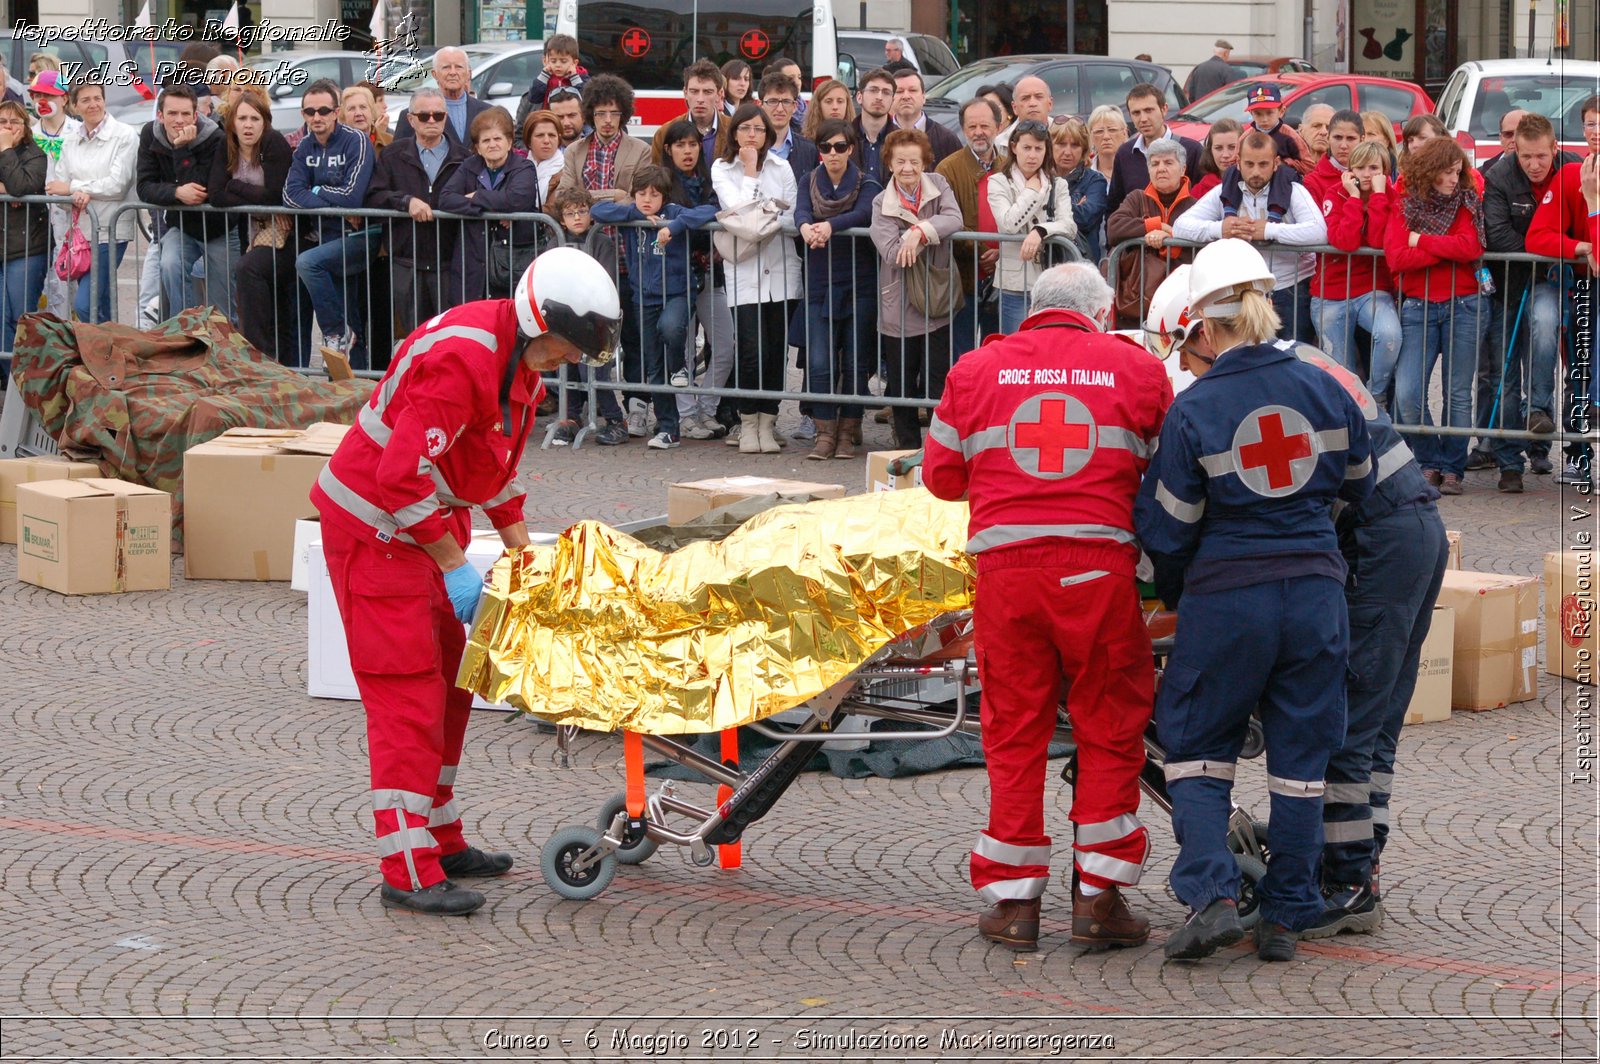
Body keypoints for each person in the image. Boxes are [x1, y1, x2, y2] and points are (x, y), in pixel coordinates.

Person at [310, 248, 622, 916]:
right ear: (542, 325)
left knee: (453, 685)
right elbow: (399, 479)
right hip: (375, 534)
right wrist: (457, 566)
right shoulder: (464, 362)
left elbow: (487, 471)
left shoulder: (519, 366)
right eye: (569, 348)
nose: (570, 362)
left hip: (416, 533)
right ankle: (406, 865)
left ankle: (441, 838)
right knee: (407, 698)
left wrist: (523, 557)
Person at [1134, 238, 1375, 963]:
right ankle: (1288, 913)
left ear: (1205, 327)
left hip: (1228, 598)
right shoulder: (1327, 386)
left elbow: (1169, 530)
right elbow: (1358, 484)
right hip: (1314, 596)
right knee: (1302, 759)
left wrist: (1185, 590)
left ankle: (1212, 895)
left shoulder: (1198, 408)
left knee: (1197, 746)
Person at [925, 261, 1169, 952]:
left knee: (1012, 731)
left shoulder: (976, 369)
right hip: (1099, 574)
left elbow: (941, 477)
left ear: (1032, 308)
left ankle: (1012, 905)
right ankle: (1100, 899)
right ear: (1102, 310)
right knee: (1112, 725)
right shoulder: (1137, 369)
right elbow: (1169, 473)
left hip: (1008, 579)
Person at [1479, 111, 1576, 492]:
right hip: (1507, 284)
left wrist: (1552, 254)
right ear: (1513, 150)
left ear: (1555, 148)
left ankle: (1539, 420)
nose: (1534, 165)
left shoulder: (1572, 170)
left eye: (1541, 156)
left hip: (1550, 282)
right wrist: (1546, 250)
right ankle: (1508, 461)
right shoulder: (1498, 177)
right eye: (1525, 157)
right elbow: (1498, 234)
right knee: (1505, 375)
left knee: (1545, 333)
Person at [1385, 137, 1487, 496]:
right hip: (1418, 306)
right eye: (1446, 173)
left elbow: (1470, 247)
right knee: (1409, 393)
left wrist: (1421, 240)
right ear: (1428, 172)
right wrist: (1445, 251)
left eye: (1457, 172)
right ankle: (1428, 459)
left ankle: (1452, 467)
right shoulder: (1406, 204)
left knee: (1457, 393)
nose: (1453, 180)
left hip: (1465, 304)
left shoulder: (1466, 200)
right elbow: (1396, 257)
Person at [591, 166, 718, 450]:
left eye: (654, 194)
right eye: (641, 193)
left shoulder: (674, 212)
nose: (647, 199)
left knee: (671, 328)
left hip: (676, 293)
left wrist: (673, 227)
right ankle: (668, 428)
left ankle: (681, 368)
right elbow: (598, 211)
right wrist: (633, 213)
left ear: (665, 195)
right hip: (643, 297)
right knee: (653, 364)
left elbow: (709, 213)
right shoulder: (632, 214)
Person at [1174, 131, 1328, 342]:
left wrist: (1269, 230)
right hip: (1244, 290)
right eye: (1249, 164)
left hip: (1290, 288)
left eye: (1263, 164)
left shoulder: (1293, 191)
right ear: (1238, 163)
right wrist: (1221, 229)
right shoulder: (1223, 191)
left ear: (1276, 163)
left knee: (1296, 355)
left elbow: (1319, 231)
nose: (1256, 172)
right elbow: (1180, 226)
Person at [712, 102, 801, 454]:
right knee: (750, 350)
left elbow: (793, 218)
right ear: (735, 132)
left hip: (781, 269)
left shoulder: (783, 167)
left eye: (759, 129)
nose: (752, 135)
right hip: (744, 274)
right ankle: (747, 421)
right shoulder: (723, 168)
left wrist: (765, 219)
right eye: (746, 128)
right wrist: (750, 172)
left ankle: (769, 420)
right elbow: (741, 215)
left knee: (776, 352)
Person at [869, 128, 964, 449]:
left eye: (914, 161)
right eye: (900, 162)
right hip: (898, 299)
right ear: (890, 164)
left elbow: (954, 218)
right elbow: (892, 252)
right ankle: (907, 445)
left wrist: (918, 231)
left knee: (938, 377)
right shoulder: (882, 201)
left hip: (936, 294)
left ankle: (939, 447)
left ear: (925, 162)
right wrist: (915, 238)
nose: (907, 168)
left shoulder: (939, 185)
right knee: (901, 381)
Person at [793, 119, 881, 459]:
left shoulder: (866, 181)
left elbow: (862, 215)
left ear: (851, 149)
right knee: (818, 362)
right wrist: (805, 226)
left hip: (858, 282)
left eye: (840, 147)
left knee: (856, 362)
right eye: (826, 147)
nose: (833, 153)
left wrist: (828, 225)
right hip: (818, 283)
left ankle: (847, 432)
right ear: (819, 151)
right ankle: (824, 433)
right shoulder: (808, 179)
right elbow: (801, 209)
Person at [1525, 92, 1599, 488]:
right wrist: (1577, 247)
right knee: (1580, 371)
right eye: (1590, 123)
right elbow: (1538, 236)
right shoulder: (1570, 174)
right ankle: (1577, 455)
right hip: (1584, 286)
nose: (1595, 132)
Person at [1306, 114, 1402, 396]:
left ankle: (1375, 396)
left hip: (1372, 289)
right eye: (1360, 168)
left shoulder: (1390, 195)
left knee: (1390, 335)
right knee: (1341, 373)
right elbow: (1345, 241)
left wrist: (1380, 196)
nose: (1367, 174)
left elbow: (1376, 240)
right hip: (1330, 293)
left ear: (1384, 170)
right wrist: (1353, 197)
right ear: (1351, 170)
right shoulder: (1336, 193)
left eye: (1374, 168)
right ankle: (1353, 409)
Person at [653, 117, 735, 443]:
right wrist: (691, 220)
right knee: (682, 349)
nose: (687, 151)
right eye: (680, 145)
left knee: (725, 344)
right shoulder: (662, 182)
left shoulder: (708, 180)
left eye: (692, 145)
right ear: (668, 149)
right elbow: (672, 216)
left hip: (709, 274)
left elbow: (718, 211)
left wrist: (690, 220)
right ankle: (686, 416)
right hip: (676, 277)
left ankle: (706, 407)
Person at [283, 78, 376, 363]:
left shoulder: (355, 140)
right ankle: (349, 370)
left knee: (307, 263)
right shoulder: (304, 148)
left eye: (323, 110)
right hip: (325, 238)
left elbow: (352, 197)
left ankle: (336, 332)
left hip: (360, 235)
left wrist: (315, 190)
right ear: (303, 115)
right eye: (310, 112)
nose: (317, 117)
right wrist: (329, 199)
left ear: (336, 112)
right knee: (346, 305)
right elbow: (289, 195)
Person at [366, 86, 468, 337]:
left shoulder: (465, 159)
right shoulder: (392, 155)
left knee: (449, 338)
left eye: (438, 115)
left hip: (449, 265)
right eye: (424, 116)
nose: (431, 120)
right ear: (411, 119)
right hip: (406, 263)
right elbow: (374, 197)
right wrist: (406, 202)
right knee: (415, 340)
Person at [46, 75, 138, 324]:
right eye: (85, 100)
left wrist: (74, 188)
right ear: (74, 106)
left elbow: (118, 184)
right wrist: (73, 193)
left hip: (112, 230)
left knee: (86, 304)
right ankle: (111, 354)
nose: (93, 104)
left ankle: (101, 354)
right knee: (103, 304)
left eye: (98, 98)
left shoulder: (125, 135)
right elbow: (57, 187)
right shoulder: (70, 139)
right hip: (81, 235)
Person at [221, 88, 299, 364]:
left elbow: (276, 194)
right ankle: (264, 360)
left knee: (250, 271)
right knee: (261, 290)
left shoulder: (273, 143)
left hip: (286, 235)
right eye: (242, 118)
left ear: (264, 121)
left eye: (254, 119)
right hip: (250, 234)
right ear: (232, 122)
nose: (248, 125)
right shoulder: (226, 145)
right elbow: (217, 195)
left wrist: (235, 185)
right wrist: (234, 189)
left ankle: (260, 357)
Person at [547, 188, 629, 447]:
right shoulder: (554, 242)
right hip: (566, 320)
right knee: (567, 367)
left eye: (582, 211)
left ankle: (615, 420)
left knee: (593, 370)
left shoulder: (602, 242)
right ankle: (570, 418)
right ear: (561, 219)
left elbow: (606, 280)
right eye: (570, 214)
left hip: (595, 320)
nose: (577, 218)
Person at [440, 107, 542, 303]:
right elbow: (445, 198)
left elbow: (517, 200)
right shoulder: (469, 166)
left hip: (511, 262)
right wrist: (492, 210)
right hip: (473, 264)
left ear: (509, 142)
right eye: (486, 140)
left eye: (498, 139)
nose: (492, 145)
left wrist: (477, 196)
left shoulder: (523, 167)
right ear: (477, 147)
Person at [988, 119, 1077, 331]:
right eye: (1026, 148)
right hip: (1014, 282)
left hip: (1050, 278)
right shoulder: (998, 181)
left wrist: (1041, 231)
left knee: (1049, 345)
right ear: (1013, 147)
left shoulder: (1058, 184)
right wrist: (1031, 191)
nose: (1032, 155)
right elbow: (1009, 223)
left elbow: (1069, 226)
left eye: (1039, 149)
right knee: (1016, 345)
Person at [936, 97, 1003, 356]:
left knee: (996, 349)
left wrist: (1000, 254)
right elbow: (944, 220)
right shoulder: (948, 168)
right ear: (963, 130)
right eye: (972, 126)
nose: (978, 132)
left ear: (997, 127)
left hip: (1002, 276)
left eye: (985, 126)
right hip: (962, 277)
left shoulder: (1010, 165)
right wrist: (978, 252)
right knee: (961, 352)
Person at [1106, 138, 1196, 328]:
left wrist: (1171, 241)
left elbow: (1199, 245)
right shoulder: (1136, 198)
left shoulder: (1195, 206)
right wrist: (1154, 226)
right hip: (1135, 302)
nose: (1161, 168)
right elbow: (1114, 228)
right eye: (1155, 163)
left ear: (1183, 169)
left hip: (1180, 304)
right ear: (1148, 170)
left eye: (1168, 162)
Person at [1106, 83, 1204, 216]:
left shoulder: (1192, 150)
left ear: (1164, 109)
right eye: (1136, 113)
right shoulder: (1125, 153)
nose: (1143, 119)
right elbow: (1114, 208)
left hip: (1179, 234)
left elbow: (1205, 205)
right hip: (1135, 235)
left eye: (1149, 110)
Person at [0, 101, 48, 368]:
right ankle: (9, 377)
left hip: (26, 246)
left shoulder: (35, 154)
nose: (7, 127)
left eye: (14, 122)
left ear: (25, 126)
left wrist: (6, 149)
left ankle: (24, 378)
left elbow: (21, 186)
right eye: (2, 122)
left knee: (20, 317)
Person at [27, 69, 77, 321]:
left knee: (70, 293)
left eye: (50, 95)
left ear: (65, 99)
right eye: (37, 95)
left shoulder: (79, 133)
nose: (42, 101)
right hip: (35, 228)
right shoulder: (26, 136)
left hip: (72, 228)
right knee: (38, 293)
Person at [555, 75, 649, 205]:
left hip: (622, 224)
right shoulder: (573, 151)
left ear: (623, 115)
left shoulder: (641, 150)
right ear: (590, 114)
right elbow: (562, 196)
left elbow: (640, 198)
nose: (608, 120)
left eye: (614, 113)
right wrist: (613, 194)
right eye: (601, 113)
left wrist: (585, 197)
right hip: (586, 224)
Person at [394, 47, 493, 148]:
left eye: (459, 67)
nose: (453, 72)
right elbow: (399, 155)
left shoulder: (488, 112)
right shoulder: (415, 115)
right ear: (434, 74)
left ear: (469, 74)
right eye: (446, 67)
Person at [1051, 118, 1109, 262]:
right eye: (1061, 144)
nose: (1067, 152)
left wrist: (1047, 207)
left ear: (1083, 149)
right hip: (1044, 265)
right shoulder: (1039, 178)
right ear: (1049, 145)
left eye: (1075, 145)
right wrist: (1074, 207)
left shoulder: (1095, 180)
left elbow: (1085, 218)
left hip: (1081, 266)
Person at [513, 32, 587, 147]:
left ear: (574, 62)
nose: (558, 65)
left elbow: (588, 98)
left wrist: (574, 76)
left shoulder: (581, 77)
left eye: (563, 61)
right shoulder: (538, 87)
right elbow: (519, 137)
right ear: (545, 60)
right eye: (553, 61)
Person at [890, 68, 962, 165]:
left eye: (912, 90)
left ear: (923, 97)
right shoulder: (878, 138)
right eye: (899, 91)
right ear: (891, 97)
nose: (906, 96)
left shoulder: (946, 139)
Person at [757, 70, 817, 187]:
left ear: (795, 106)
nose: (780, 109)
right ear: (761, 106)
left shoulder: (808, 149)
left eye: (786, 102)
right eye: (773, 101)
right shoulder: (749, 146)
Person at [1240, 84, 1311, 177]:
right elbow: (1235, 163)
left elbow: (1309, 166)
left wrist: (1285, 164)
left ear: (1281, 111)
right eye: (1258, 114)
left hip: (1285, 185)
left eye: (1269, 113)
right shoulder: (1246, 138)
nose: (1264, 119)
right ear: (1251, 113)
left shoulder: (1290, 136)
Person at [852, 67, 896, 184]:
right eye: (873, 90)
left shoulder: (902, 141)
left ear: (893, 100)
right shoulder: (843, 139)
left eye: (886, 92)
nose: (879, 97)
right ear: (859, 97)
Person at [679, 59, 725, 164]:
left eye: (707, 92)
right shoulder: (665, 133)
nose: (700, 99)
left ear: (719, 94)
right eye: (694, 91)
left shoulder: (734, 131)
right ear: (685, 93)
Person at [994, 75, 1053, 155]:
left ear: (1050, 104)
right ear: (1014, 107)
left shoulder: (1064, 135)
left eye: (1039, 97)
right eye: (1025, 98)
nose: (1032, 103)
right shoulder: (1000, 144)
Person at [1191, 118, 1242, 199]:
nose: (1225, 155)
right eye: (1218, 148)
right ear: (1210, 150)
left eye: (1232, 147)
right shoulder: (1199, 192)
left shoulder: (1255, 185)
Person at [342, 84, 392, 154]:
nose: (358, 113)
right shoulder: (334, 146)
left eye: (363, 107)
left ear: (371, 111)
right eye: (352, 108)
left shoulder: (390, 142)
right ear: (343, 115)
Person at [1477, 109, 1528, 175]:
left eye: (1521, 134)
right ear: (1501, 138)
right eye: (1508, 134)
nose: (1514, 140)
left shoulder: (1543, 172)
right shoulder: (1483, 173)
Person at [1089, 105, 1127, 186]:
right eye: (1099, 131)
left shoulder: (1137, 168)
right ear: (1091, 136)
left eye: (1112, 130)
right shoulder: (1083, 173)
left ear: (1124, 133)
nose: (1106, 136)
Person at [1298, 103, 1335, 171]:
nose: (1324, 132)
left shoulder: (1341, 169)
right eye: (1316, 126)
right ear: (1301, 130)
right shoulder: (1290, 165)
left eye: (1328, 128)